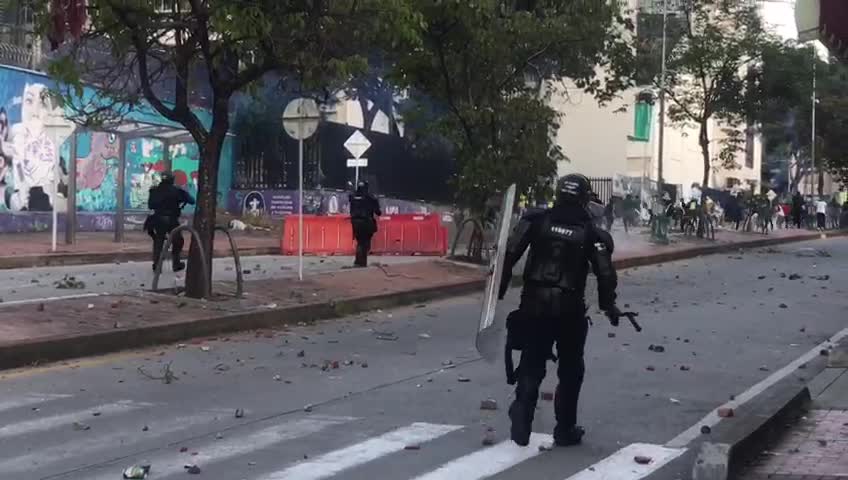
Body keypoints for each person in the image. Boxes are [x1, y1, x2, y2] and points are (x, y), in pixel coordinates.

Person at [498, 174, 624, 448]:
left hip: (533, 305)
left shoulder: (535, 221)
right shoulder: (592, 232)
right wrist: (608, 306)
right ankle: (564, 428)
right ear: (584, 198)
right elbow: (605, 274)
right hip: (569, 310)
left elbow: (507, 256)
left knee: (532, 361)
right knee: (570, 369)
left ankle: (523, 409)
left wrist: (498, 292)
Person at [145, 171, 195, 271]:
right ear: (172, 180)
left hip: (158, 219)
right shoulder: (177, 191)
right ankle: (176, 264)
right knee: (178, 241)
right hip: (172, 220)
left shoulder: (154, 190)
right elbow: (192, 200)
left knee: (158, 241)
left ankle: (157, 264)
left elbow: (150, 205)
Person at [349, 180, 381, 267]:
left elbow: (351, 209)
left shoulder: (352, 196)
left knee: (360, 242)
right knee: (364, 243)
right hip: (366, 222)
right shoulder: (370, 197)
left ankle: (359, 262)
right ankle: (361, 262)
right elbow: (378, 212)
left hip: (355, 222)